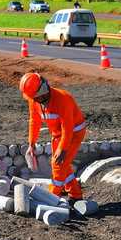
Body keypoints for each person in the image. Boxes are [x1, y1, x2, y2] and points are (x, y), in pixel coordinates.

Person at [19, 72, 86, 200]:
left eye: (34, 97)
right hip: (57, 134)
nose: (32, 100)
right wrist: (31, 144)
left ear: (42, 91)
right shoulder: (34, 99)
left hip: (74, 133)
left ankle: (51, 197)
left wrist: (63, 148)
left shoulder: (63, 99)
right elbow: (34, 121)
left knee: (58, 165)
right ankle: (76, 194)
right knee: (62, 165)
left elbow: (68, 128)